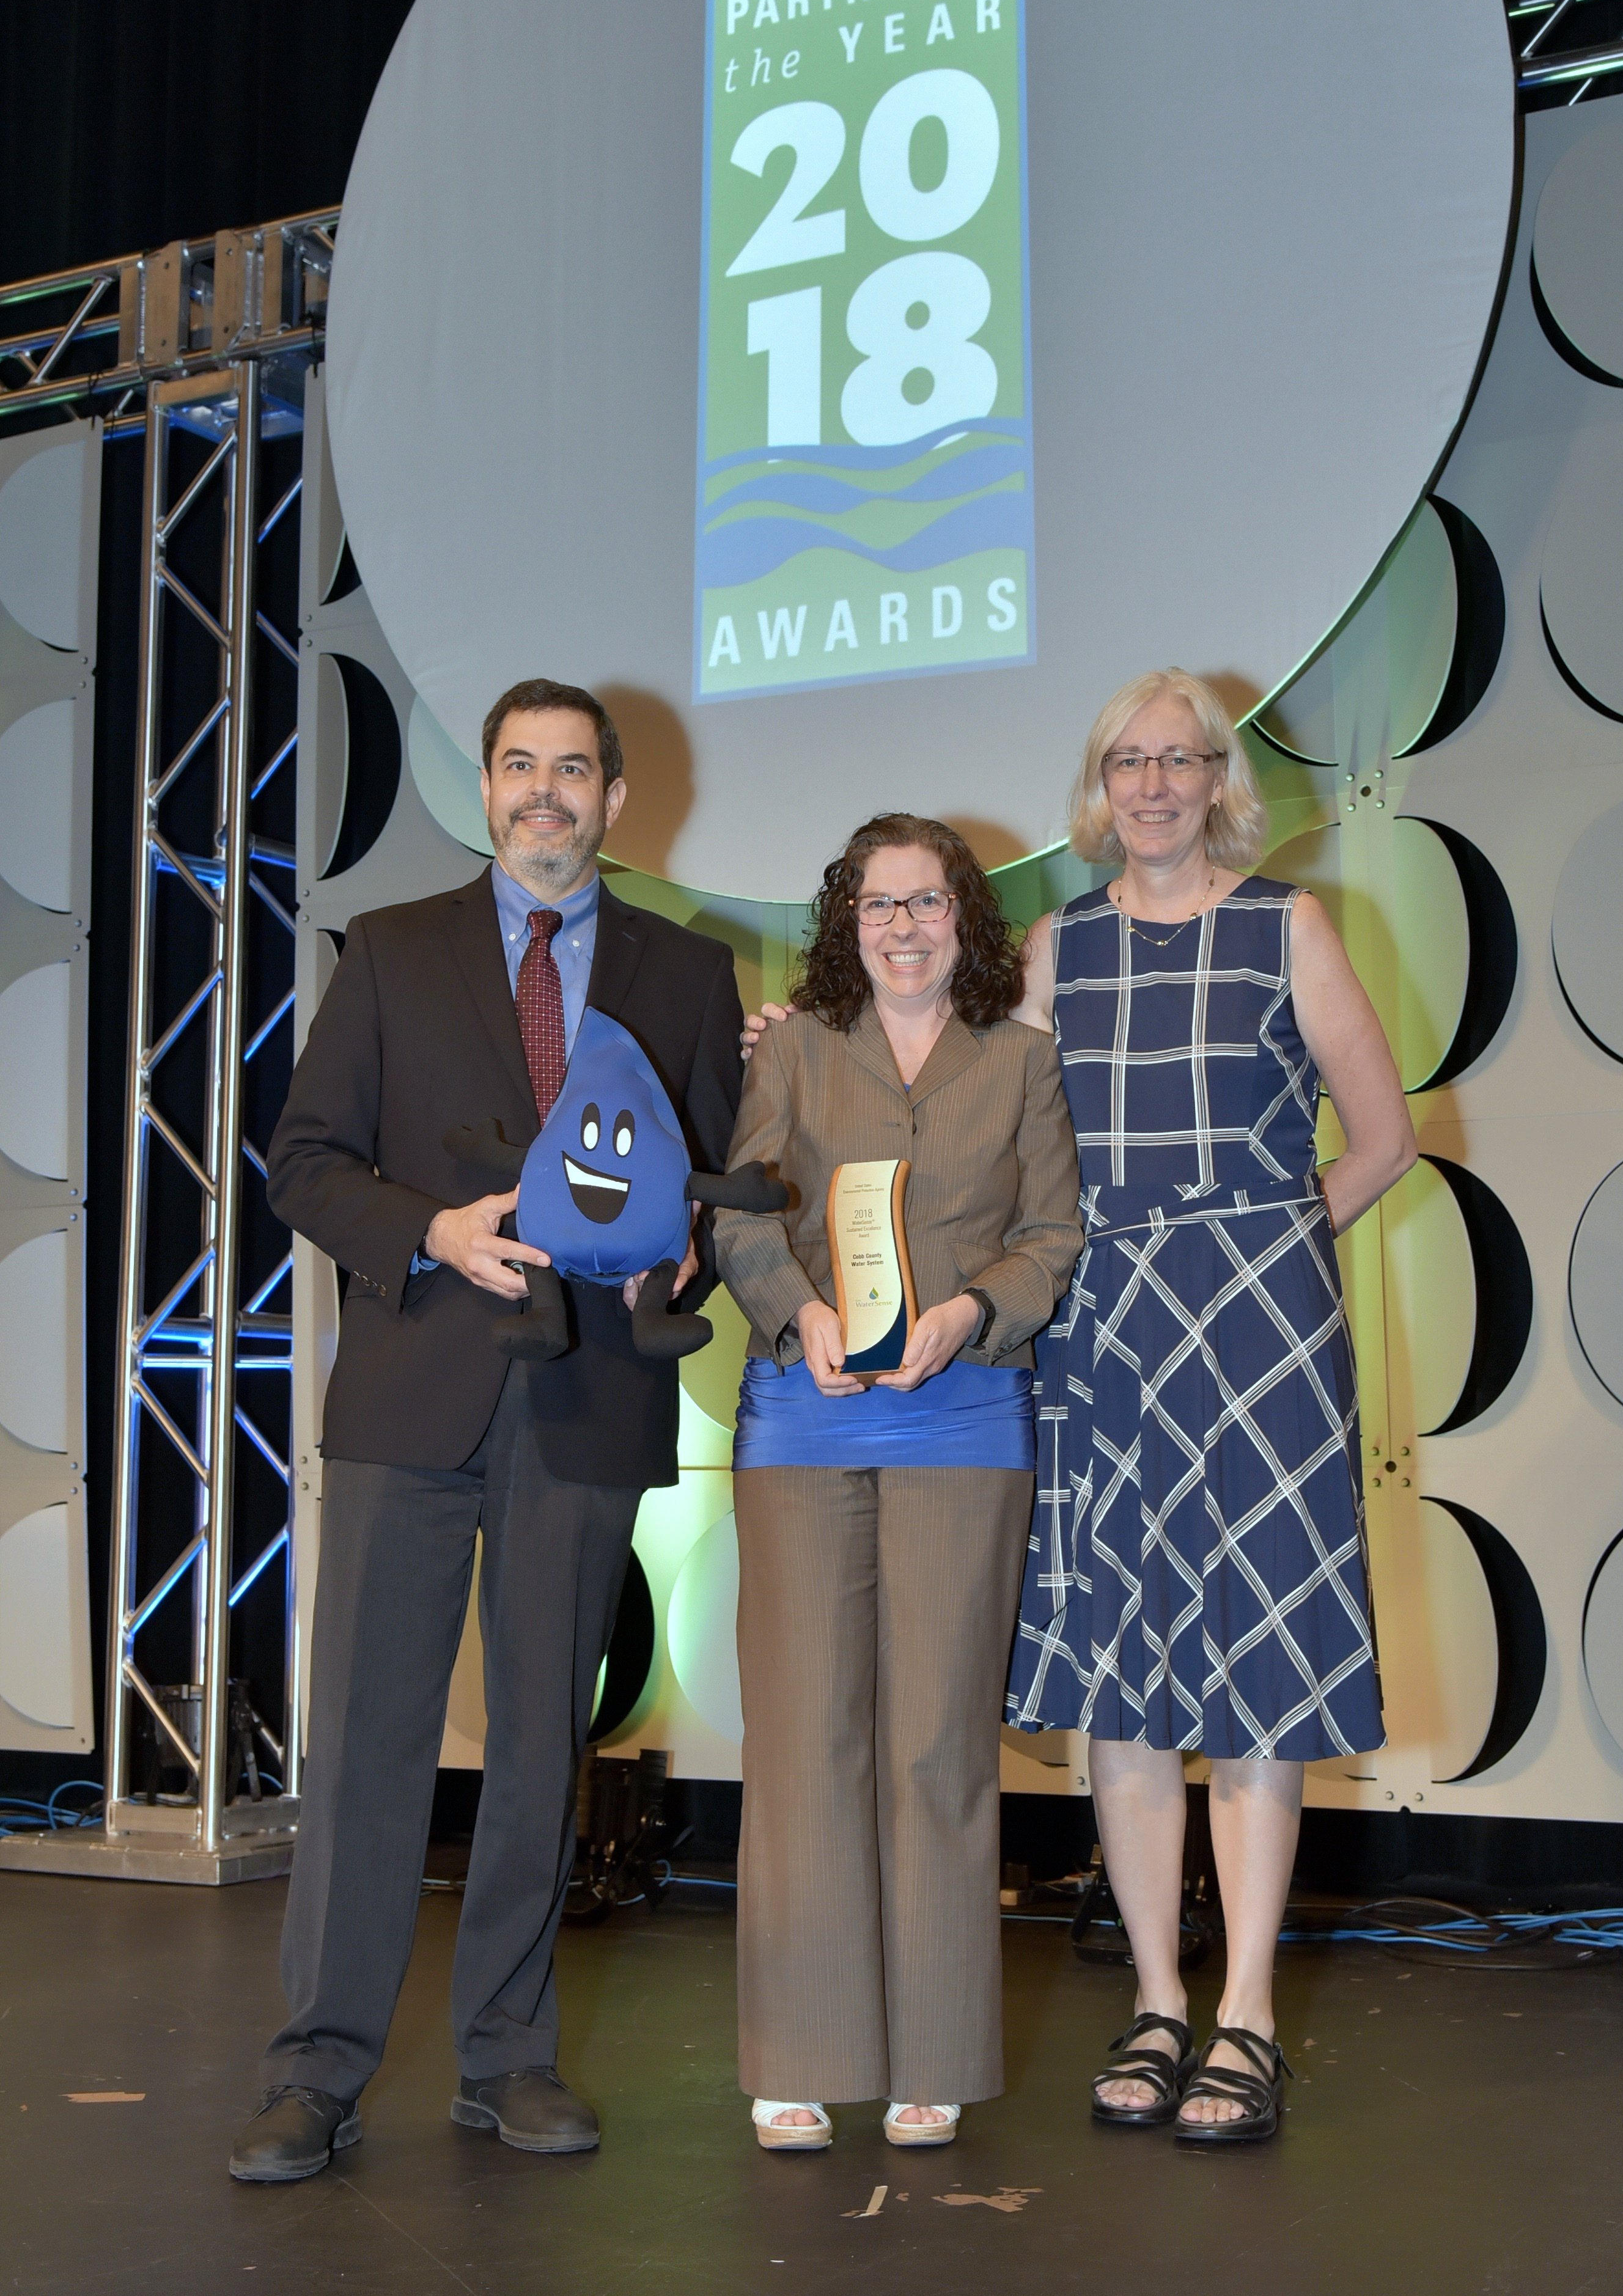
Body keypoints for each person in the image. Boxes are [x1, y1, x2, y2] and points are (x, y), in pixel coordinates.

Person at [229, 679, 743, 2183]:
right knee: (369, 1740)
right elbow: (304, 1165)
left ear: (615, 797)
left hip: (584, 1401)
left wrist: (680, 1255)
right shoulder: (389, 953)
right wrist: (430, 1231)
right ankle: (317, 2069)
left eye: (572, 770)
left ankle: (508, 2058)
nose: (545, 794)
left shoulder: (690, 973)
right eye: (519, 766)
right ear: (486, 786)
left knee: (538, 1741)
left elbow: (701, 1186)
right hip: (413, 1388)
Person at [1005, 669, 1413, 2143]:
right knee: (1121, 1674)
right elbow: (988, 1119)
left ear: (1220, 781)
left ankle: (1243, 2013)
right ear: (1100, 786)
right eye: (1130, 761)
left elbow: (1383, 1140)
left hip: (1257, 1339)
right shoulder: (1054, 948)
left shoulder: (1285, 926)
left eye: (1182, 761)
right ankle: (1155, 2003)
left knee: (1254, 1661)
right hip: (1103, 1330)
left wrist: (1267, 1243)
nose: (1156, 784)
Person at [714, 814, 1081, 2154]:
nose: (904, 928)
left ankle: (934, 2049)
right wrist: (797, 1314)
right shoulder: (797, 1050)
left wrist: (973, 1314)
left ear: (963, 921)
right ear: (846, 921)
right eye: (878, 906)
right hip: (803, 1420)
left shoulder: (1023, 1063)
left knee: (934, 1747)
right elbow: (742, 1212)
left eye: (927, 905)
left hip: (966, 1418)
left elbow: (1054, 1237)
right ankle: (800, 2055)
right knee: (806, 1741)